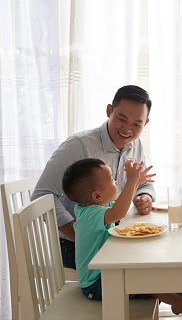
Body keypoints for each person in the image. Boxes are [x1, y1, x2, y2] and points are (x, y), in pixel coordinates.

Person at [31, 85, 156, 270]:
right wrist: (79, 233)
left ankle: (177, 293)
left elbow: (143, 183)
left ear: (145, 123)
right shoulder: (78, 145)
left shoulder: (135, 144)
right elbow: (42, 196)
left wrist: (145, 197)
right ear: (109, 111)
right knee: (143, 269)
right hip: (75, 246)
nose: (128, 129)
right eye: (122, 119)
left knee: (156, 256)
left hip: (110, 236)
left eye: (137, 124)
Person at [62, 158, 182, 315]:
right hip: (97, 284)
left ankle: (173, 290)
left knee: (143, 271)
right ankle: (177, 302)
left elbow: (121, 204)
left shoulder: (96, 206)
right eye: (111, 179)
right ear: (97, 196)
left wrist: (136, 183)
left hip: (105, 273)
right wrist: (131, 181)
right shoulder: (90, 215)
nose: (116, 182)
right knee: (141, 281)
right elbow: (119, 212)